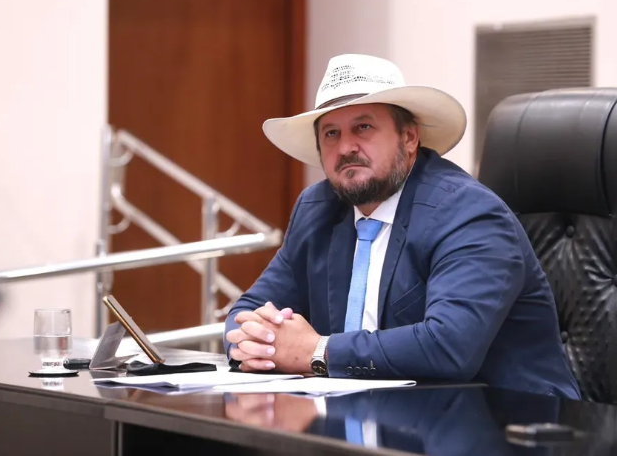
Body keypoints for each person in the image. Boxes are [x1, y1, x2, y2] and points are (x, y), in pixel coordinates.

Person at [224, 53, 580, 399]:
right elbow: (247, 310)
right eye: (331, 133)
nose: (346, 147)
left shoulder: (468, 212)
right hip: (374, 416)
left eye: (363, 127)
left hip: (507, 421)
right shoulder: (318, 209)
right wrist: (255, 341)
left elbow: (449, 346)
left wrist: (317, 351)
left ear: (409, 138)